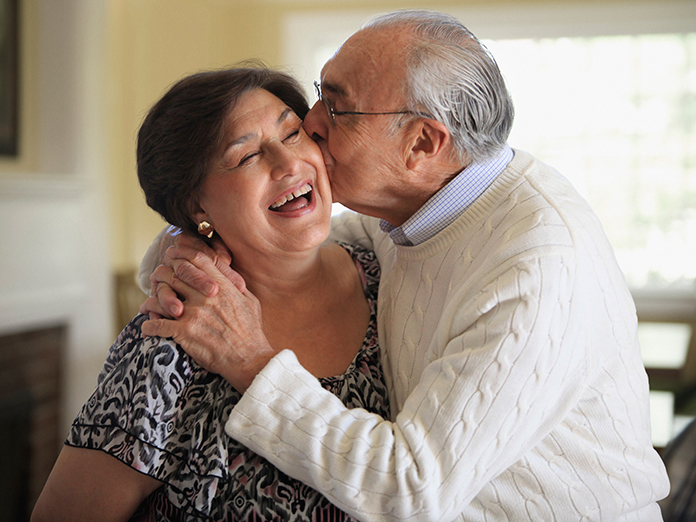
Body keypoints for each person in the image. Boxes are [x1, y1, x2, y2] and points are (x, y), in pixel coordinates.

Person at [140, 9, 670, 521]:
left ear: (422, 142)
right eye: (321, 93)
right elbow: (275, 241)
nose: (310, 123)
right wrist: (183, 242)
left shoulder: (534, 266)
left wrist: (249, 360)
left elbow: (413, 490)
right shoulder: (416, 210)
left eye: (339, 109)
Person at [31, 67, 389, 522]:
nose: (289, 163)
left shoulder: (389, 278)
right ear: (198, 207)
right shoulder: (172, 337)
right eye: (246, 157)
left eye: (293, 132)